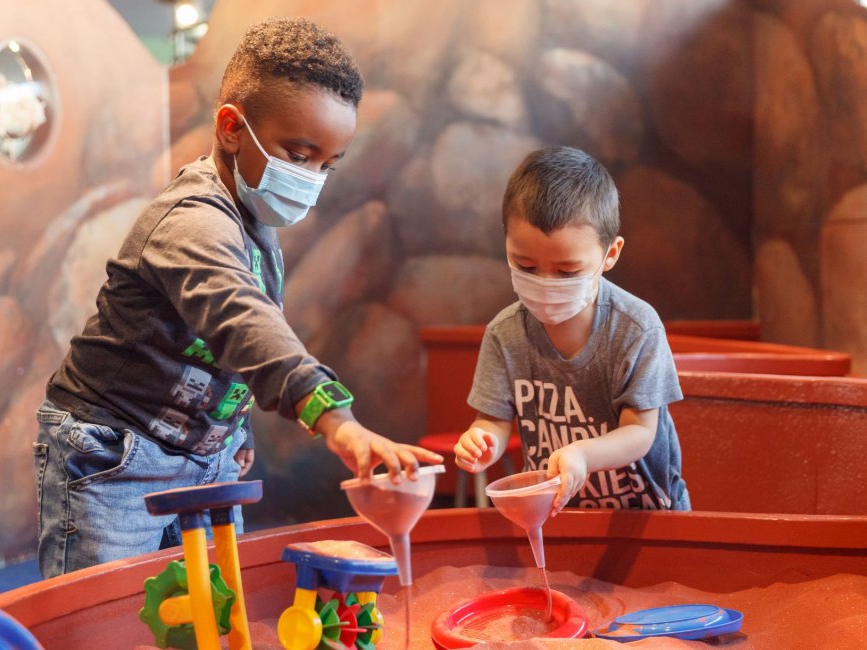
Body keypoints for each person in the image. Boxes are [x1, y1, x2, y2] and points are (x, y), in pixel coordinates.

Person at [33, 17, 442, 578]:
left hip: (204, 455)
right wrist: (338, 422)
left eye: (327, 164)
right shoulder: (192, 223)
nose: (312, 178)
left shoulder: (253, 220)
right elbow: (240, 320)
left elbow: (225, 347)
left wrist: (233, 423)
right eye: (298, 156)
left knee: (215, 612)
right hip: (116, 454)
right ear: (231, 127)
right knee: (103, 616)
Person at [453, 146, 689, 516]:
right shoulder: (505, 334)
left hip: (647, 518)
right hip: (558, 515)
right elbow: (493, 421)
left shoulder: (636, 328)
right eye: (525, 265)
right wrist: (483, 441)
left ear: (610, 253)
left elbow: (640, 433)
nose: (545, 284)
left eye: (567, 272)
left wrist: (583, 454)